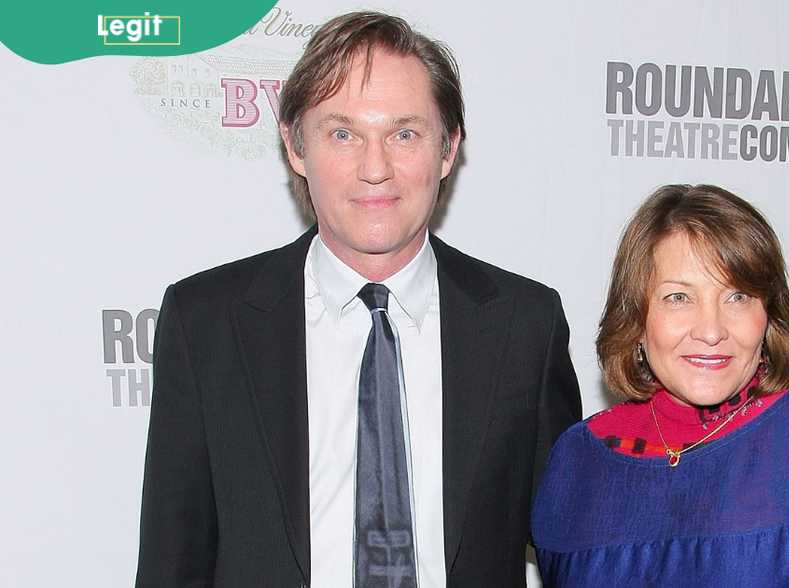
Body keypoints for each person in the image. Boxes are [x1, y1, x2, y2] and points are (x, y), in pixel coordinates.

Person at [135, 11, 581, 588]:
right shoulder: (207, 324)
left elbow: (571, 551)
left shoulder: (526, 325)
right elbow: (172, 566)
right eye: (343, 133)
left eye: (404, 133)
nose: (375, 169)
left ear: (448, 150)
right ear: (296, 145)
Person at [531, 184, 789, 587]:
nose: (712, 330)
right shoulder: (577, 463)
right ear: (637, 318)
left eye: (738, 297)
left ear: (768, 315)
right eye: (679, 297)